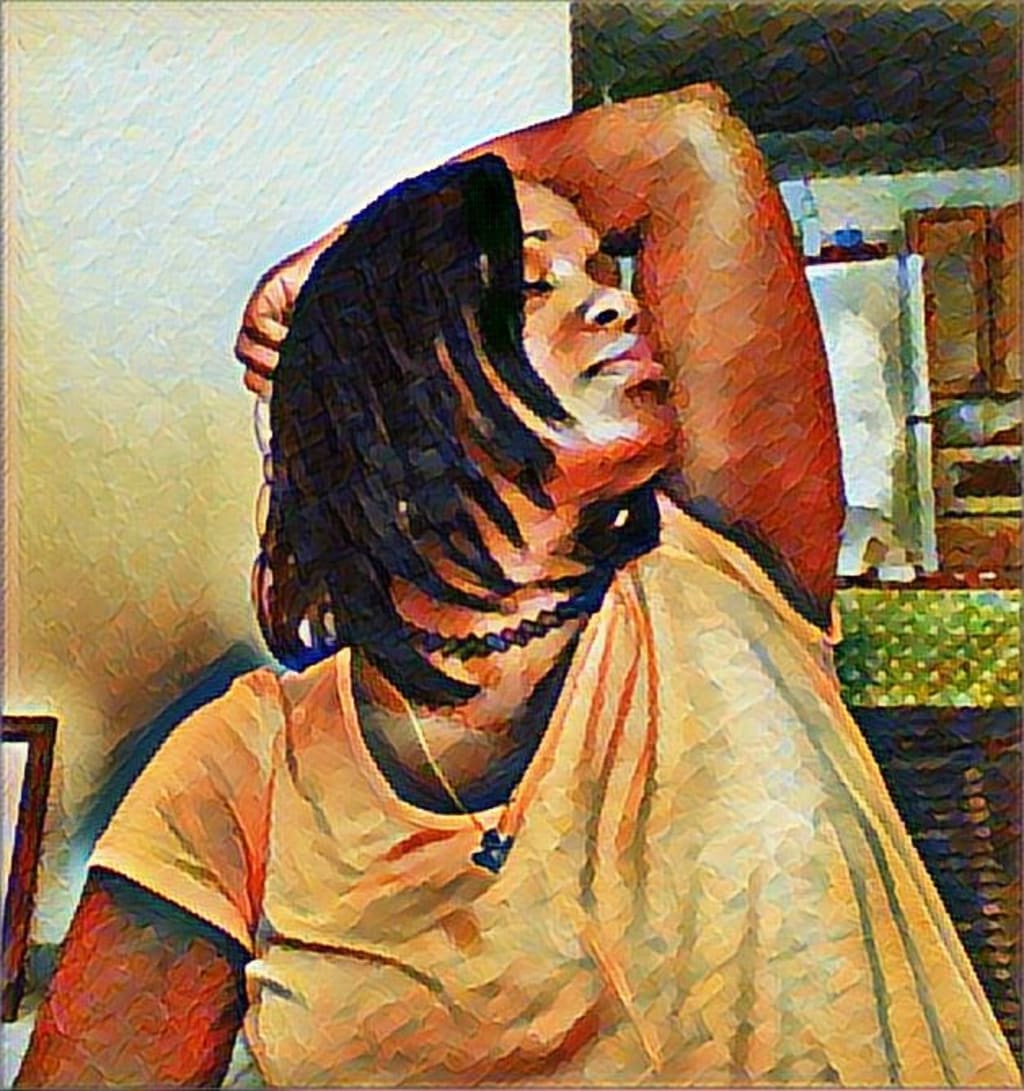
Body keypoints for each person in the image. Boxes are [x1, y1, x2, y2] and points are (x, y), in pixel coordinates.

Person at [17, 86, 1019, 1088]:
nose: (619, 303)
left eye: (603, 271)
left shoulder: (720, 569)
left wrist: (335, 252)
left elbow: (686, 145)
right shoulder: (246, 766)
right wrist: (361, 286)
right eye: (533, 284)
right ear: (395, 380)